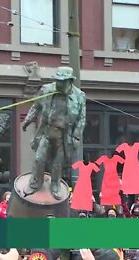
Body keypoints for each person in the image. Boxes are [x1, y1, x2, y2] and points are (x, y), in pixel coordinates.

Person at [22, 66, 86, 200]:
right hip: (46, 131)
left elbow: (81, 119)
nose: (59, 83)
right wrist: (27, 120)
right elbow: (36, 106)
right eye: (57, 80)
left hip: (64, 135)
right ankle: (35, 181)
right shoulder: (46, 90)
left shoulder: (79, 96)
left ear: (69, 81)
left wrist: (76, 137)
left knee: (58, 162)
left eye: (62, 81)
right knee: (39, 158)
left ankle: (55, 184)